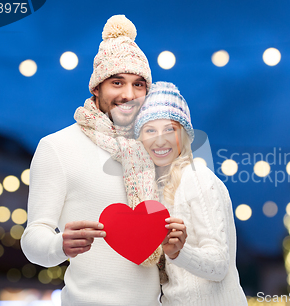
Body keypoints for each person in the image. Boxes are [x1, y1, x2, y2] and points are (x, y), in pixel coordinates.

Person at [21, 15, 185, 306]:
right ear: (96, 88)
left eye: (138, 85)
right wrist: (60, 245)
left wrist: (176, 245)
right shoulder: (57, 147)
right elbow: (33, 240)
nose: (128, 95)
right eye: (117, 82)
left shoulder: (150, 150)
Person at [134, 81, 248, 306]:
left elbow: (218, 264)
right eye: (150, 130)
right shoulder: (152, 191)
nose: (159, 139)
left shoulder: (196, 178)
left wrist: (178, 253)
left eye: (169, 129)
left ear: (183, 135)